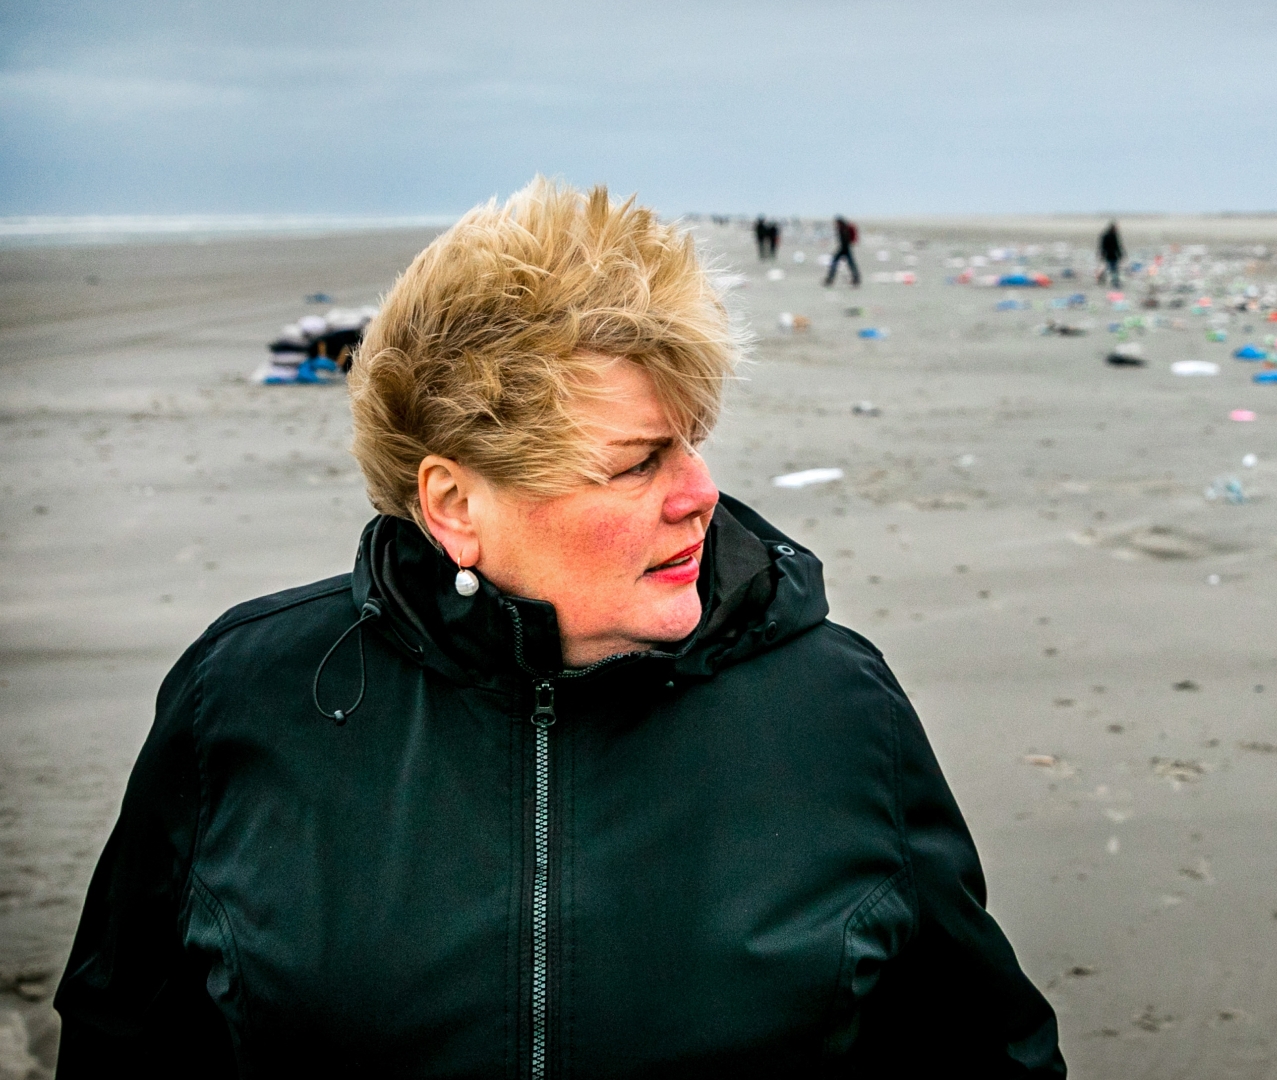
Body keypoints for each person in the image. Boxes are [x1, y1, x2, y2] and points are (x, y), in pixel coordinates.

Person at [54, 177, 1066, 1078]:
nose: (702, 495)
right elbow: (123, 1039)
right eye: (636, 465)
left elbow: (988, 1053)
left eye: (691, 447)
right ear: (454, 504)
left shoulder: (836, 708)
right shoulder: (250, 696)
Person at [824, 214, 860, 286]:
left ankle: (830, 279)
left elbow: (845, 241)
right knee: (849, 264)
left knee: (847, 264)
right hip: (844, 249)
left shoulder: (844, 229)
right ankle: (830, 279)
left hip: (845, 249)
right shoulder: (841, 228)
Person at [1097, 221, 1124, 289]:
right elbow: (1103, 246)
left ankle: (1113, 280)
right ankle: (1112, 280)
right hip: (1109, 254)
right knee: (1112, 268)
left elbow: (1117, 246)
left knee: (1112, 268)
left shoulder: (1114, 235)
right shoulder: (1106, 236)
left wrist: (1120, 254)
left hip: (1113, 255)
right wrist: (1102, 254)